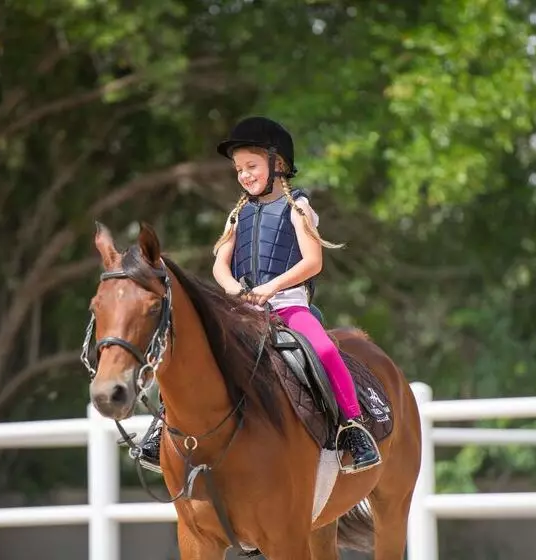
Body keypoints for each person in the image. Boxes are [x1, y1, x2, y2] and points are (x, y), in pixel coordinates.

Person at [137, 116, 381, 475]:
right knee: (191, 348)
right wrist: (234, 289)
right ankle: (161, 428)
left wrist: (270, 287)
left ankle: (353, 428)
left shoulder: (298, 208)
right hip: (242, 309)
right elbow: (220, 264)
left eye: (251, 166)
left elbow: (313, 262)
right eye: (239, 169)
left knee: (326, 349)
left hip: (288, 306)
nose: (244, 175)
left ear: (277, 163)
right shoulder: (238, 214)